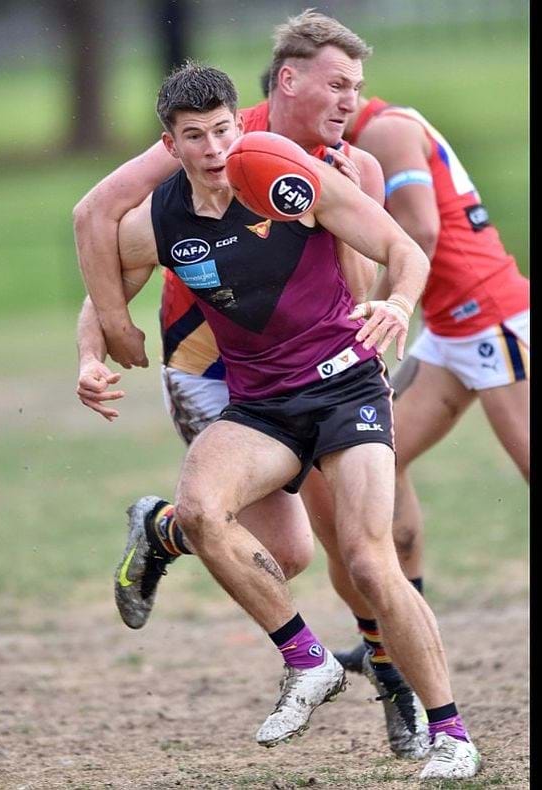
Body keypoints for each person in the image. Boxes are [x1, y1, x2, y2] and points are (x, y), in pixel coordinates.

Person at [93, 62, 480, 779]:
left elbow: (401, 247)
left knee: (367, 558)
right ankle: (308, 661)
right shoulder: (162, 218)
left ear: (240, 124)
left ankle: (450, 731)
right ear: (169, 145)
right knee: (205, 511)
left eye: (221, 130)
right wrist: (94, 353)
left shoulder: (282, 176)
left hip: (344, 388)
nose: (212, 148)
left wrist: (397, 304)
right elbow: (108, 276)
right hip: (261, 406)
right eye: (193, 137)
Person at [322, 76, 531, 674]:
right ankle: (399, 635)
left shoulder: (386, 130)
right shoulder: (346, 151)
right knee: (374, 454)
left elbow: (423, 230)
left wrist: (382, 309)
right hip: (450, 330)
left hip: (490, 319)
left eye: (345, 85)